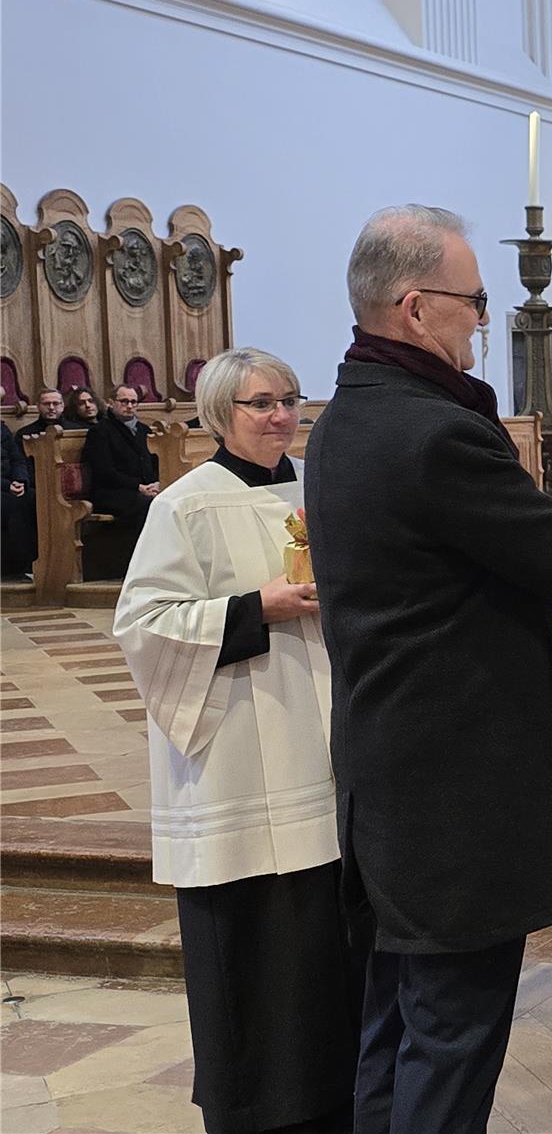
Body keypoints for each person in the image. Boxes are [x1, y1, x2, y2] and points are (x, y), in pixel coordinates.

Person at [306, 204, 552, 1134]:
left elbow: (470, 549)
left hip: (387, 773)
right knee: (451, 1034)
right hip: (453, 791)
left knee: (394, 1024)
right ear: (416, 308)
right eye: (473, 300)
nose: (482, 318)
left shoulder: (348, 420)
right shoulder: (432, 432)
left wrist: (539, 531)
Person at [113, 347, 355, 1133]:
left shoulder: (320, 489)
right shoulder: (187, 504)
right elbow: (143, 625)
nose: (281, 415)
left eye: (289, 398)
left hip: (318, 736)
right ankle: (254, 1106)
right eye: (260, 403)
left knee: (325, 932)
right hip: (239, 749)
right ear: (220, 414)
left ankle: (333, 1097)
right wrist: (258, 608)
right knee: (252, 939)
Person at [84, 383, 160, 528]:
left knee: (168, 500)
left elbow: (155, 462)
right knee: (148, 504)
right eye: (124, 401)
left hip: (144, 490)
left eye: (133, 402)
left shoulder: (144, 430)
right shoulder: (100, 432)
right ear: (111, 403)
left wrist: (156, 483)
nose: (129, 406)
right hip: (111, 493)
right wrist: (139, 487)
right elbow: (104, 471)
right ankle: (140, 549)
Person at [1, 423, 36, 580]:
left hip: (11, 484)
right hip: (4, 487)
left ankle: (42, 563)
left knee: (38, 500)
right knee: (13, 506)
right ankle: (15, 567)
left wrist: (20, 480)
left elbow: (18, 459)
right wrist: (7, 486)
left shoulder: (2, 428)